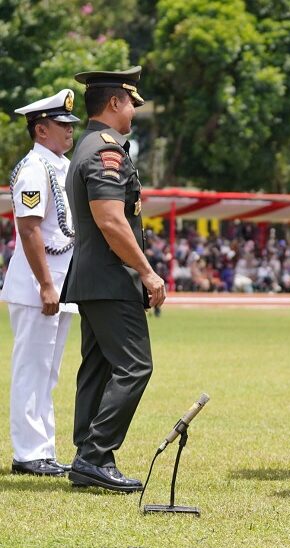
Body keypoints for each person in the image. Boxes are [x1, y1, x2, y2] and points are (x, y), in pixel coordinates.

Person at [62, 66, 166, 493]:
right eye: (131, 103)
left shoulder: (86, 146)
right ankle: (95, 455)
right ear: (113, 103)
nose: (133, 112)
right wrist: (147, 271)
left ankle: (87, 455)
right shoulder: (106, 152)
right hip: (110, 278)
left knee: (98, 366)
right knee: (135, 366)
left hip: (93, 277)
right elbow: (111, 220)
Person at [1, 89, 80, 477]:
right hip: (39, 288)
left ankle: (42, 450)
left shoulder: (59, 166)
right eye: (62, 125)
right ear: (41, 129)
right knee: (32, 370)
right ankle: (29, 454)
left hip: (59, 286)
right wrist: (46, 285)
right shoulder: (34, 168)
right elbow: (29, 229)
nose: (70, 130)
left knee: (47, 372)